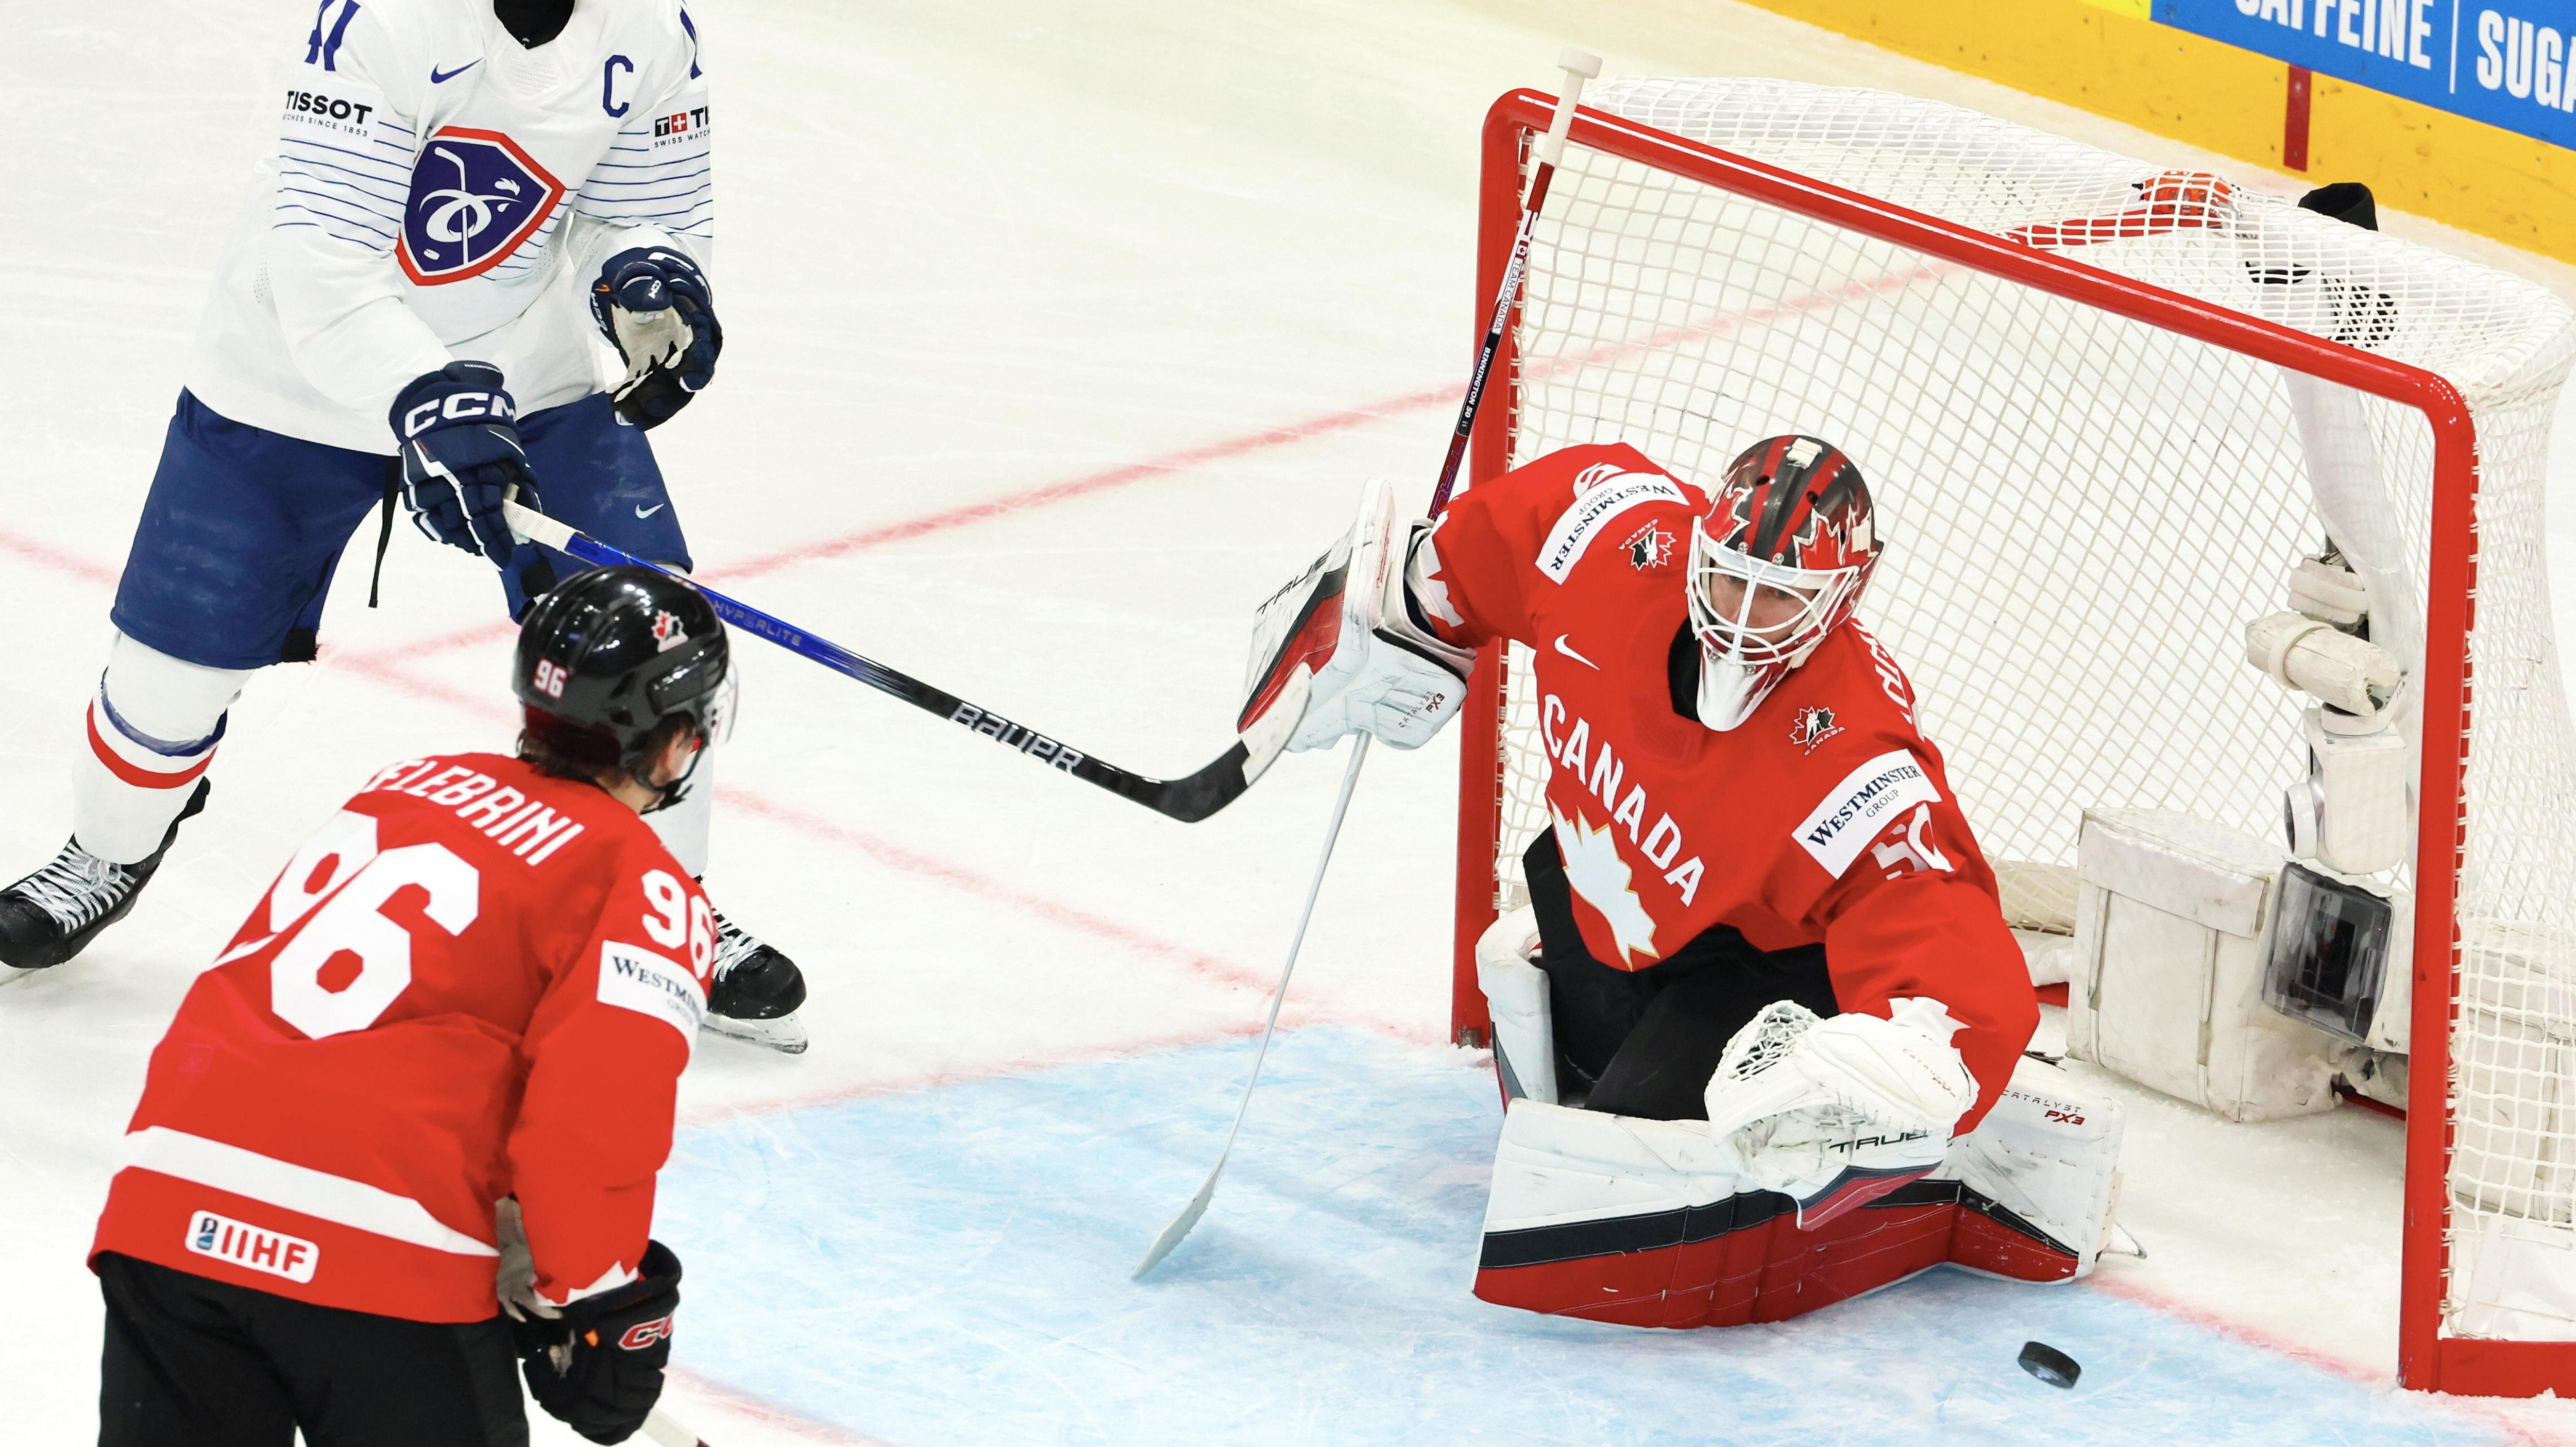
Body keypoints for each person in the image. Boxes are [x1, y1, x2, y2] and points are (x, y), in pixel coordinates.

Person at [0, 0, 804, 1050]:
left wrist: (651, 273)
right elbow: (325, 265)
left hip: (524, 370)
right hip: (290, 371)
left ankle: (665, 904)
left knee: (654, 630)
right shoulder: (383, 19)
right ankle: (110, 849)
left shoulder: (651, 27)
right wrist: (426, 393)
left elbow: (638, 205)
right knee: (172, 666)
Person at [1243, 436, 2104, 1326]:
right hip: (1615, 901)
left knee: (1612, 1193)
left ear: (1846, 595)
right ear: (1697, 542)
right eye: (1730, 576)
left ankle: (1927, 1160)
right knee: (1558, 1043)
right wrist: (1409, 607)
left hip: (1758, 974)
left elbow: (1943, 920)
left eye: (1779, 597)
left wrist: (1912, 1061)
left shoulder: (1854, 756)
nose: (1740, 615)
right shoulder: (1608, 536)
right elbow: (1483, 545)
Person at [90, 565, 734, 1446]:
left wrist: (513, 1236)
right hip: (375, 1252)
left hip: (167, 1203)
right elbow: (594, 1121)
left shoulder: (407, 787)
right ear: (677, 743)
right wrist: (590, 1293)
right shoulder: (640, 881)